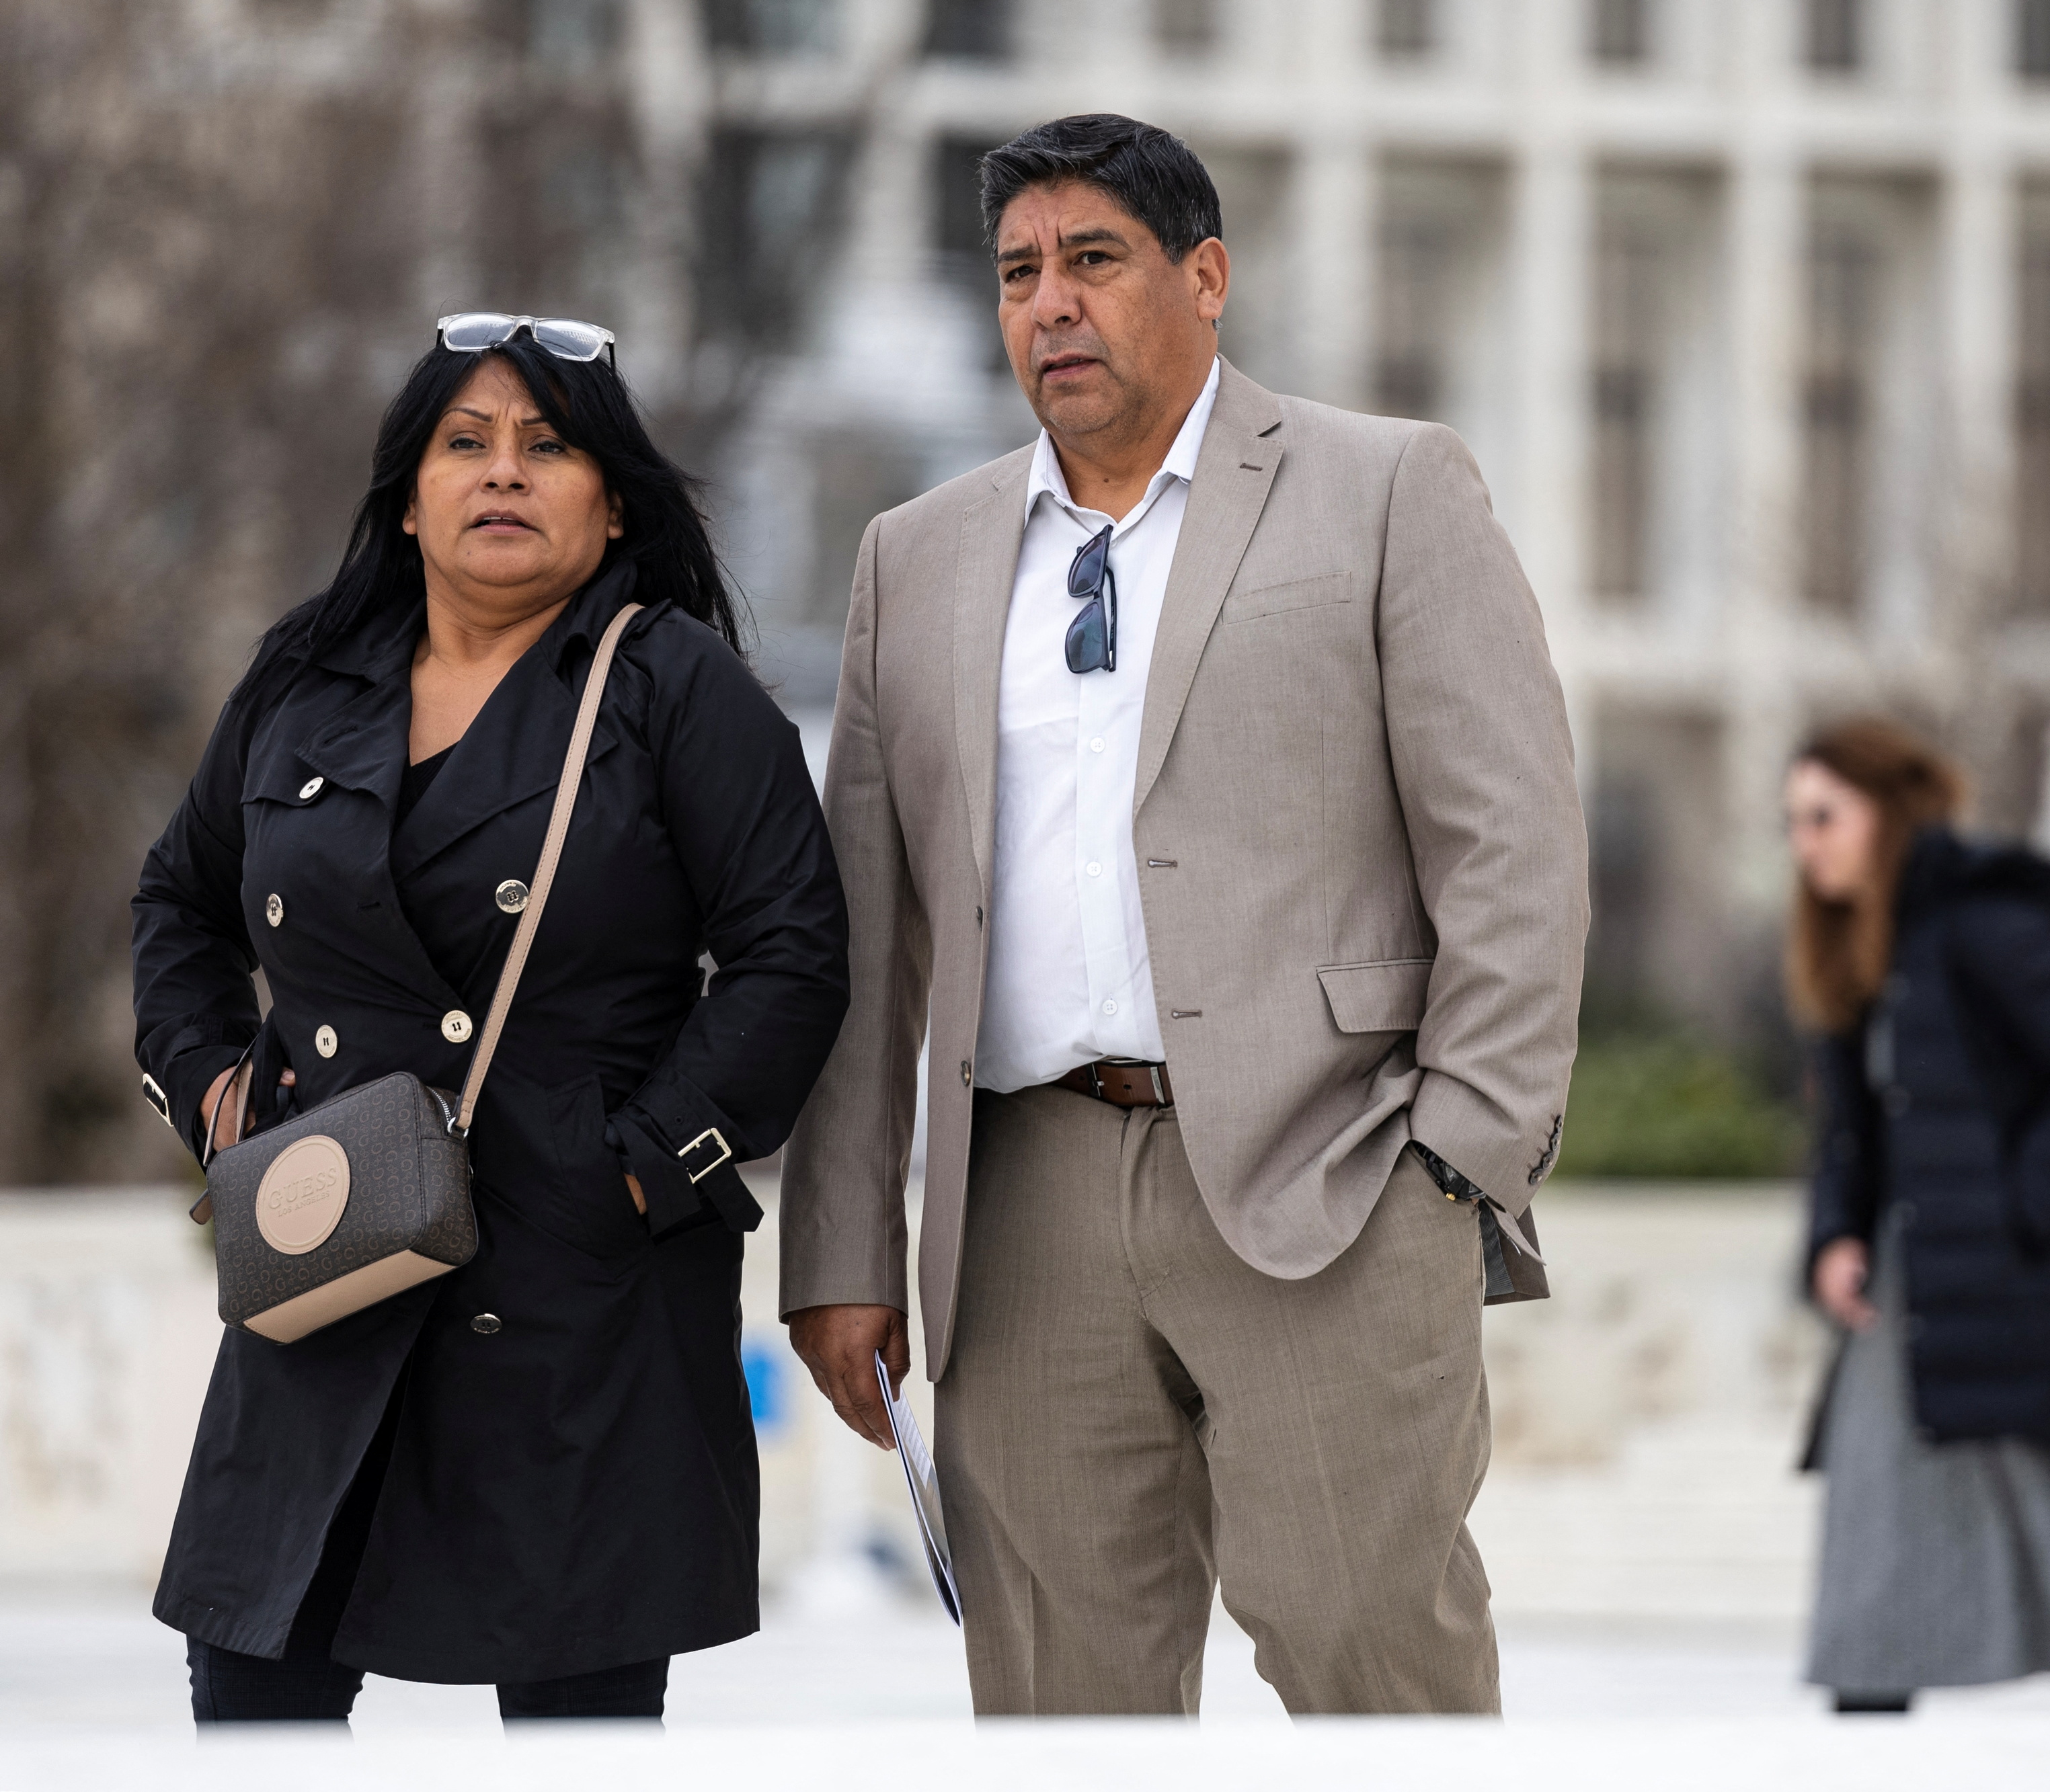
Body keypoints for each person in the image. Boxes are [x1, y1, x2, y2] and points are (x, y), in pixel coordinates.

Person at [780, 114, 1585, 1716]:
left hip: (1331, 1174)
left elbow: (1511, 841)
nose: (1049, 304)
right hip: (1021, 1206)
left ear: (1203, 277)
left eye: (1093, 260)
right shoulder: (914, 557)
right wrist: (843, 1245)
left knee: (1377, 1654)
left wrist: (1459, 1156)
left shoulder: (1384, 487)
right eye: (1017, 272)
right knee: (1059, 1693)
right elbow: (866, 941)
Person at [130, 315, 851, 1725]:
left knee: (573, 1728)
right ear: (409, 497)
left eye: (549, 445)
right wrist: (213, 1089)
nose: (503, 473)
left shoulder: (671, 689)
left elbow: (793, 956)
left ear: (614, 500)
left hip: (577, 1287)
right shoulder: (303, 678)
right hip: (329, 1255)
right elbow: (179, 900)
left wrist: (640, 1166)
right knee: (253, 1705)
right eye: (465, 444)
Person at [1787, 716, 2050, 1715]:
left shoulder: (1985, 924)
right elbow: (1853, 1133)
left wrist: (2020, 1202)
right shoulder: (1858, 948)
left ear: (1886, 809)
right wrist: (1836, 1235)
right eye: (1795, 821)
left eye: (1825, 816)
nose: (1807, 842)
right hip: (1905, 1289)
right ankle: (1864, 1733)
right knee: (1874, 1522)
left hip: (2017, 1284)